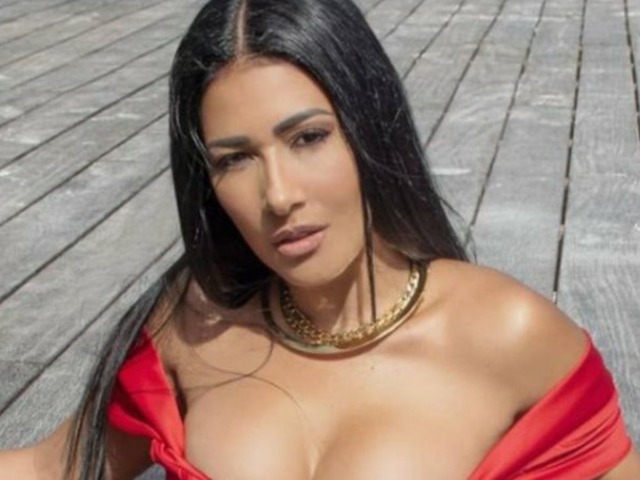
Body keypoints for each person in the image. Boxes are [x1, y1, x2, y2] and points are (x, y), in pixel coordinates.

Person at [1, 0, 639, 478]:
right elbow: (47, 469)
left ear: (369, 127)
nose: (278, 195)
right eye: (235, 159)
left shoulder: (511, 334)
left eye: (308, 138)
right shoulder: (193, 326)